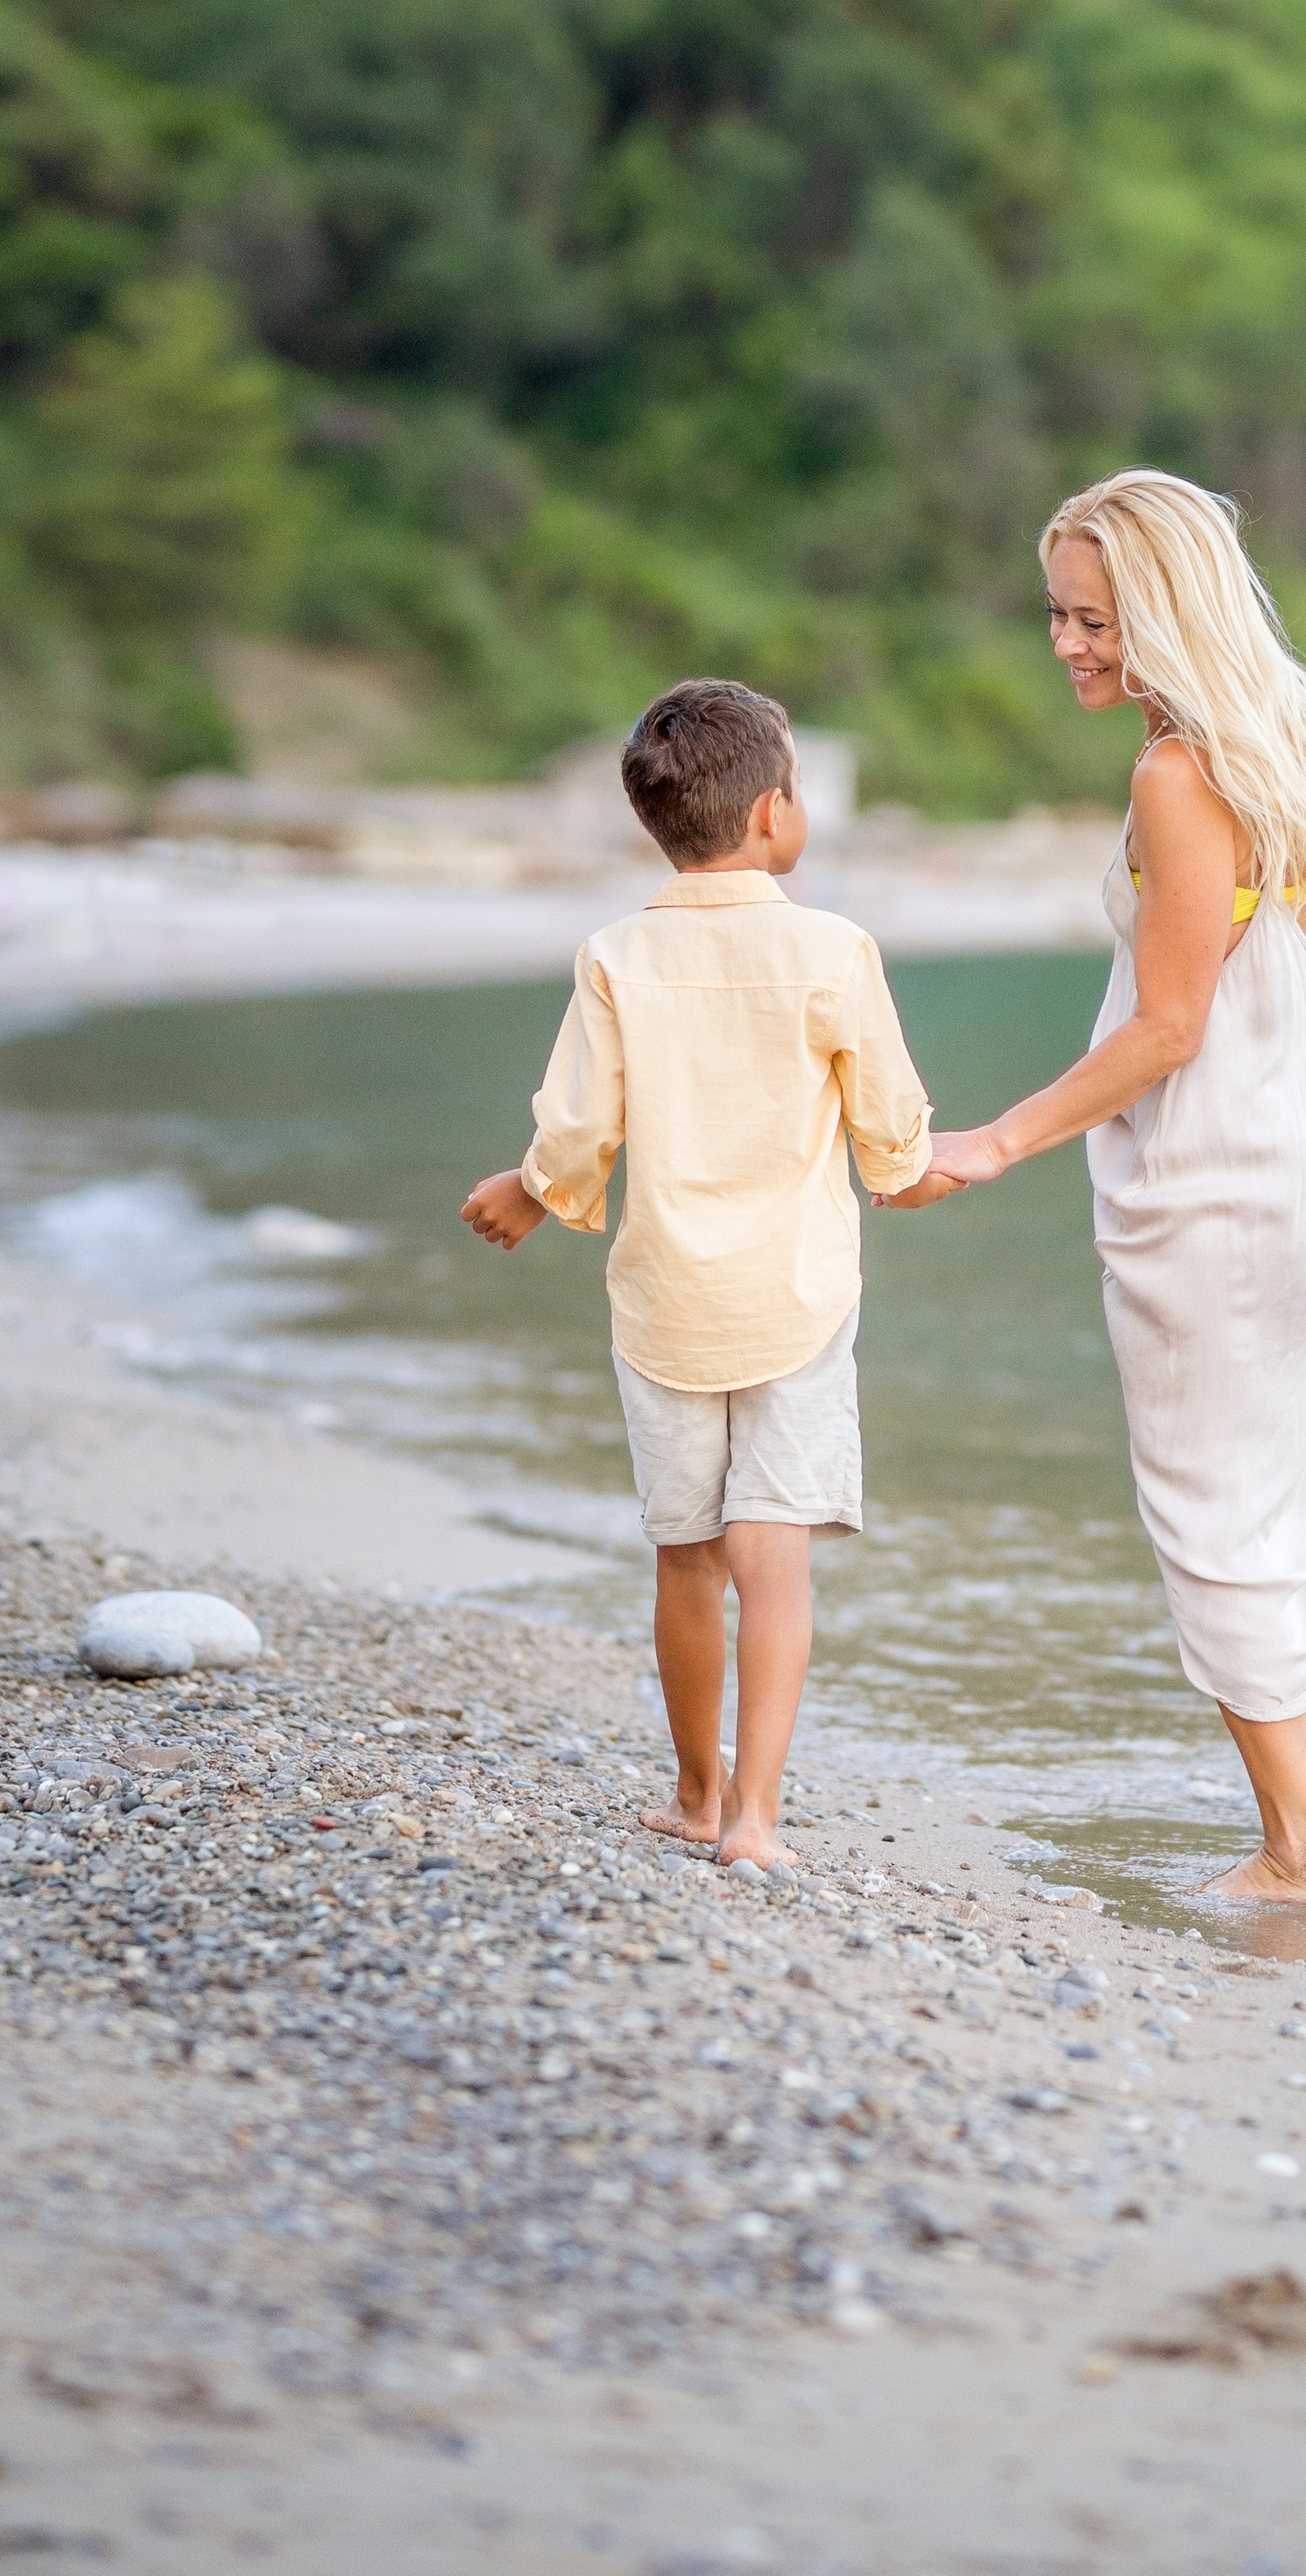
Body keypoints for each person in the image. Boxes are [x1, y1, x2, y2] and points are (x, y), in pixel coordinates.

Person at [918, 472, 1306, 1902]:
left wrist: (994, 1142)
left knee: (1217, 1512)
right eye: (1059, 615)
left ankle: (1294, 1853)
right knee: (1304, 1496)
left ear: (1168, 609)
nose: (1069, 644)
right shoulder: (1299, 739)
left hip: (1222, 1193)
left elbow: (1167, 1030)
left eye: (1097, 619)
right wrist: (1260, 913)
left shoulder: (1176, 772)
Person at [461, 679, 954, 1870]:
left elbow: (581, 1128)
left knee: (686, 1556)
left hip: (664, 1300)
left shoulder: (617, 954)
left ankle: (693, 1792)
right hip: (793, 1296)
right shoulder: (834, 949)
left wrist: (536, 1192)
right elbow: (889, 1123)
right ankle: (757, 1822)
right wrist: (910, 1169)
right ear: (778, 812)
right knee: (770, 1558)